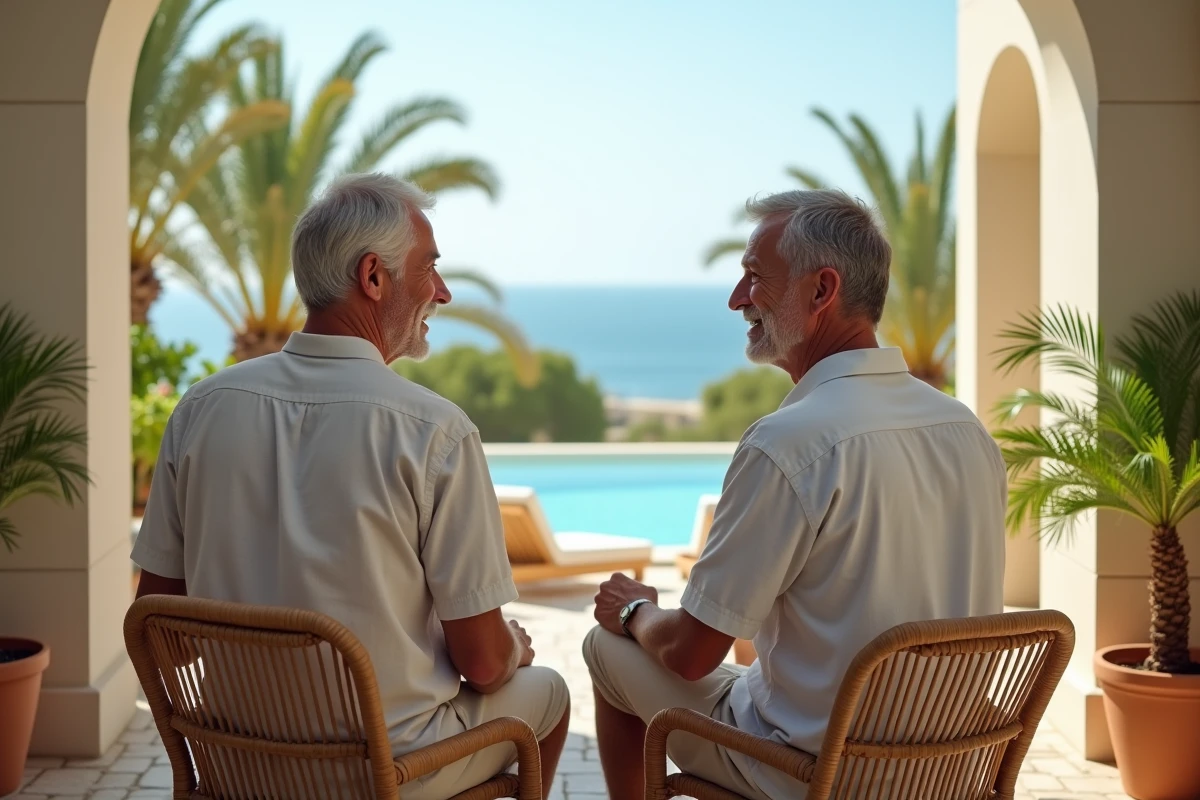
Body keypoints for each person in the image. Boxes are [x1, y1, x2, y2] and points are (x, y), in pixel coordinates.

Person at [131, 173, 569, 799]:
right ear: (373, 277)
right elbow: (484, 664)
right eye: (432, 269)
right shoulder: (432, 431)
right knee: (544, 691)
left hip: (238, 767)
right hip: (383, 775)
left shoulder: (202, 408)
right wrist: (512, 652)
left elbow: (163, 638)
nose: (442, 292)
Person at [583, 189, 1006, 799]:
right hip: (951, 767)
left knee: (607, 648)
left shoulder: (790, 443)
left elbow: (690, 653)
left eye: (755, 278)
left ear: (820, 290)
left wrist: (634, 611)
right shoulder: (966, 429)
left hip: (816, 774)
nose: (736, 300)